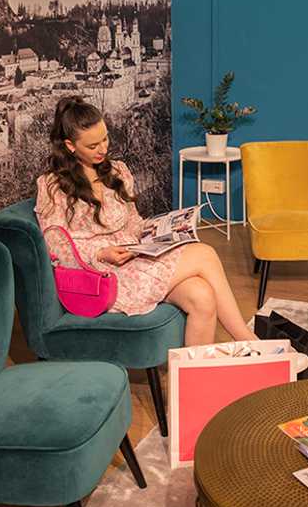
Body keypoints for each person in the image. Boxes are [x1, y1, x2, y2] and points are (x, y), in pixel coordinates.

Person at [34, 96, 256, 347]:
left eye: (105, 139)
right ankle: (249, 341)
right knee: (204, 254)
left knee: (201, 296)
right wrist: (100, 253)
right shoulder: (52, 186)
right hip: (101, 276)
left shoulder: (117, 171)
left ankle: (195, 372)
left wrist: (156, 230)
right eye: (93, 145)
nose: (103, 149)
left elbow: (133, 221)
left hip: (132, 259)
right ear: (70, 146)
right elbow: (55, 245)